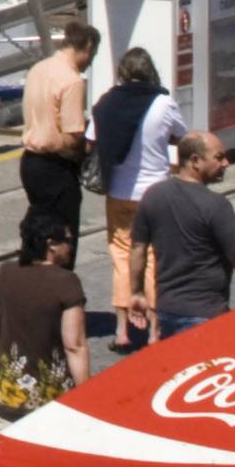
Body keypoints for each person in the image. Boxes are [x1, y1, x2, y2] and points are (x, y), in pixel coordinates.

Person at [0, 214, 90, 467]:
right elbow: (75, 345)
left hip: (4, 392)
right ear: (51, 245)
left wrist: (10, 350)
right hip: (50, 397)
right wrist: (88, 395)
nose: (72, 247)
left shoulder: (5, 273)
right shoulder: (65, 282)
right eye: (69, 240)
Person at [132, 130, 235, 340]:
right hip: (206, 313)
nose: (226, 164)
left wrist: (137, 292)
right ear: (195, 160)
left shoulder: (153, 196)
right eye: (219, 157)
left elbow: (137, 249)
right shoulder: (216, 205)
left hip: (167, 310)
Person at [90, 49, 183, 348]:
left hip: (119, 191)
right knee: (154, 256)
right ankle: (156, 330)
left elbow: (92, 138)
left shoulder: (107, 103)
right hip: (155, 192)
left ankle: (122, 331)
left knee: (120, 255)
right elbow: (182, 135)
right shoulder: (163, 103)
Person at [16, 18, 97, 253]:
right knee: (62, 237)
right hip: (56, 168)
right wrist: (88, 148)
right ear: (88, 47)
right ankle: (59, 285)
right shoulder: (72, 81)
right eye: (91, 56)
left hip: (30, 162)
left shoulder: (39, 68)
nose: (89, 63)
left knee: (37, 232)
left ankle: (30, 277)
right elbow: (72, 136)